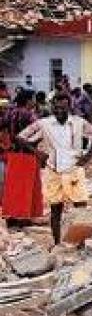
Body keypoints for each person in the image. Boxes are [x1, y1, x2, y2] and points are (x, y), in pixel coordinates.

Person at [17, 92, 92, 244]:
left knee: (80, 207)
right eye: (56, 108)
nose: (59, 112)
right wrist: (37, 152)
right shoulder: (43, 124)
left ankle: (81, 242)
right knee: (56, 208)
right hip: (53, 170)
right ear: (52, 108)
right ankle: (57, 242)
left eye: (63, 108)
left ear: (69, 107)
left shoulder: (78, 122)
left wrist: (88, 156)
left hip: (74, 169)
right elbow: (21, 137)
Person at [2, 90, 42, 224]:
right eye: (33, 99)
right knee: (26, 186)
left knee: (13, 186)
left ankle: (12, 216)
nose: (34, 102)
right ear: (28, 100)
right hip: (27, 153)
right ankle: (23, 216)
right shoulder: (30, 115)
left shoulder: (10, 112)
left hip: (13, 153)